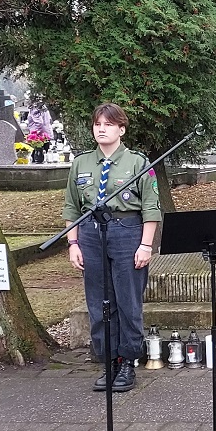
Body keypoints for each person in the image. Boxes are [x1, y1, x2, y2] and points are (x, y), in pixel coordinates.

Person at [63, 103, 162, 392]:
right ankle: (108, 360)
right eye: (97, 125)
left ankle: (128, 361)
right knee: (98, 302)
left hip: (127, 232)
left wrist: (145, 245)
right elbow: (71, 205)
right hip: (91, 234)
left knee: (127, 300)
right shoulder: (81, 163)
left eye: (108, 124)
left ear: (121, 129)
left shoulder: (138, 163)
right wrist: (73, 243)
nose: (101, 129)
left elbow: (151, 208)